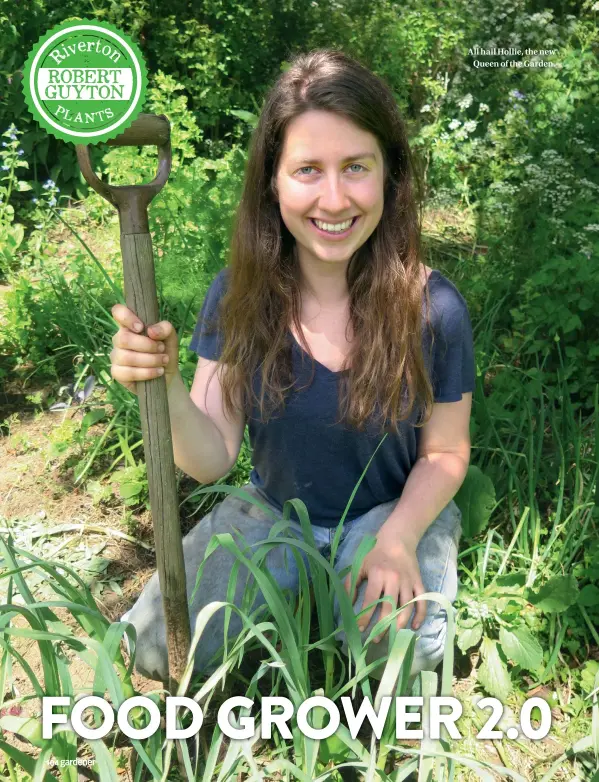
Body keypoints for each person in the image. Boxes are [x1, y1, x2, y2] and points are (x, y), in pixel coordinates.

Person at [110, 49, 474, 689]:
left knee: (404, 659)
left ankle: (341, 599)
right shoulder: (238, 296)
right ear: (272, 182)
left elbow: (445, 453)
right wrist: (164, 386)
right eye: (307, 169)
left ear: (388, 177)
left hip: (390, 511)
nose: (334, 198)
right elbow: (213, 458)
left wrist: (397, 538)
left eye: (355, 167)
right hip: (274, 513)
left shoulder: (434, 308)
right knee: (149, 646)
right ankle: (307, 592)